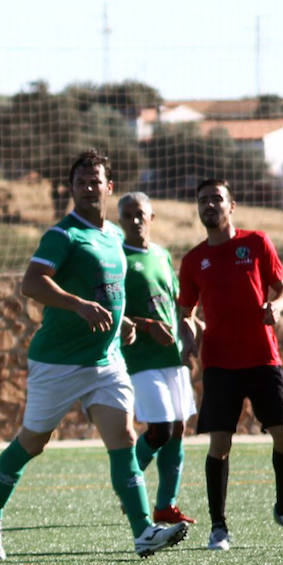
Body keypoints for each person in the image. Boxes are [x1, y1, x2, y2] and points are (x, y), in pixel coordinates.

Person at [0, 150, 189, 561]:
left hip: (105, 362)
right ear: (72, 189)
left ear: (110, 187)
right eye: (82, 182)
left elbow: (113, 291)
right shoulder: (64, 236)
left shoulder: (113, 236)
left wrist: (123, 322)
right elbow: (32, 284)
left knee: (124, 439)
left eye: (97, 181)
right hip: (57, 362)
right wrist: (77, 305)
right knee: (32, 443)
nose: (90, 188)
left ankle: (143, 531)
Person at [177, 179, 283, 552]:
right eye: (202, 200)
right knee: (220, 443)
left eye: (216, 199)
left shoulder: (256, 243)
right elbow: (185, 312)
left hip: (262, 356)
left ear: (231, 205)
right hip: (220, 363)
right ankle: (219, 527)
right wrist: (187, 339)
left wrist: (277, 307)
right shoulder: (193, 261)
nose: (209, 205)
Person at [117, 192, 196, 526]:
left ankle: (166, 505)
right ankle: (126, 488)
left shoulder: (162, 255)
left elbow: (176, 304)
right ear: (119, 221)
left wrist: (192, 330)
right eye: (127, 216)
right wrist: (148, 327)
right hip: (141, 357)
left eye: (140, 215)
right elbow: (114, 309)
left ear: (152, 217)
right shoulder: (118, 258)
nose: (135, 221)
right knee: (160, 429)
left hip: (172, 355)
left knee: (177, 427)